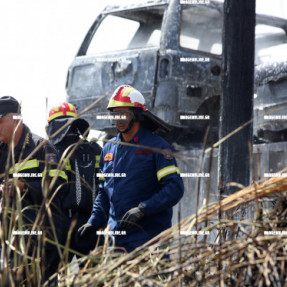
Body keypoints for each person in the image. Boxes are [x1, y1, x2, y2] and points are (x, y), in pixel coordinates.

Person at [77, 85, 184, 252]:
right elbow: (104, 192)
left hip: (150, 240)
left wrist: (143, 209)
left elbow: (174, 188)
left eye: (124, 115)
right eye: (114, 115)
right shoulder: (108, 149)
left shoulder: (157, 147)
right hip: (116, 241)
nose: (118, 121)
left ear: (137, 116)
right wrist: (93, 222)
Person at [0, 96, 67, 285]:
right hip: (12, 241)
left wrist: (25, 187)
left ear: (15, 120)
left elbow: (60, 188)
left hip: (43, 242)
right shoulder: (1, 153)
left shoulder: (43, 148)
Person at [46, 102, 102, 258]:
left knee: (56, 276)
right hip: (90, 222)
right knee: (93, 277)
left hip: (66, 224)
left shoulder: (50, 150)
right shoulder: (94, 148)